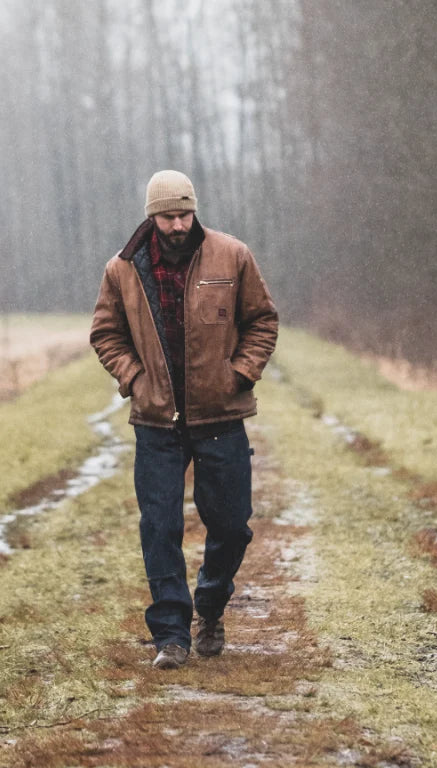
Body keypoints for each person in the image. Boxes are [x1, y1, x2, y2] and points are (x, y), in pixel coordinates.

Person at [90, 170, 278, 669]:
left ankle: (210, 606)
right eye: (169, 216)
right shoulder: (123, 268)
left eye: (185, 214)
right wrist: (134, 379)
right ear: (152, 217)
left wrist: (240, 374)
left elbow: (262, 320)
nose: (178, 224)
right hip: (156, 422)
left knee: (233, 527)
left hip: (221, 415)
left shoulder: (232, 256)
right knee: (160, 528)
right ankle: (171, 636)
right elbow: (105, 334)